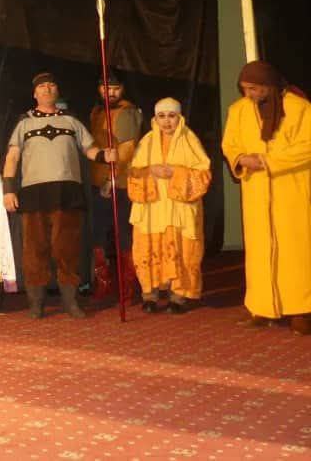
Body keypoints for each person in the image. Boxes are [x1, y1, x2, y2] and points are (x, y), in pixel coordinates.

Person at [2, 72, 116, 319]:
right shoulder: (24, 124)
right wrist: (8, 189)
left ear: (57, 91)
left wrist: (104, 155)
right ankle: (36, 303)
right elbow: (12, 157)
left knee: (67, 249)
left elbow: (89, 148)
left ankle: (70, 301)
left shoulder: (71, 121)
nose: (47, 89)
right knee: (34, 250)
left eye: (51, 85)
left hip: (67, 192)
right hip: (34, 193)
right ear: (35, 94)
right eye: (42, 86)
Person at [222, 61, 311, 335]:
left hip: (290, 189)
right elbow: (230, 143)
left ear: (268, 86)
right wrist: (240, 158)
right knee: (259, 251)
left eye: (253, 88)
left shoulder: (299, 108)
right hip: (256, 191)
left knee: (295, 251)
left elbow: (307, 146)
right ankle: (261, 308)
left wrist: (268, 161)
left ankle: (300, 310)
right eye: (244, 89)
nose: (248, 94)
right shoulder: (238, 110)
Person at [127, 98, 211, 313]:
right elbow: (133, 173)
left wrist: (176, 172)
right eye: (161, 116)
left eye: (171, 116)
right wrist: (150, 171)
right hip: (152, 209)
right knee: (149, 248)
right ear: (155, 119)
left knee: (182, 249)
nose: (166, 121)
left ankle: (178, 296)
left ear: (179, 118)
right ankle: (150, 295)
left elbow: (203, 174)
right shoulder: (146, 141)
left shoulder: (190, 140)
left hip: (179, 209)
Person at [87, 73, 142, 298]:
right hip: (97, 181)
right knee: (98, 234)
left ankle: (128, 284)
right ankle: (103, 282)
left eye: (115, 88)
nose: (110, 92)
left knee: (124, 235)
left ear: (122, 89)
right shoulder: (96, 112)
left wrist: (111, 178)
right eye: (105, 88)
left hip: (119, 182)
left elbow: (127, 149)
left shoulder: (127, 112)